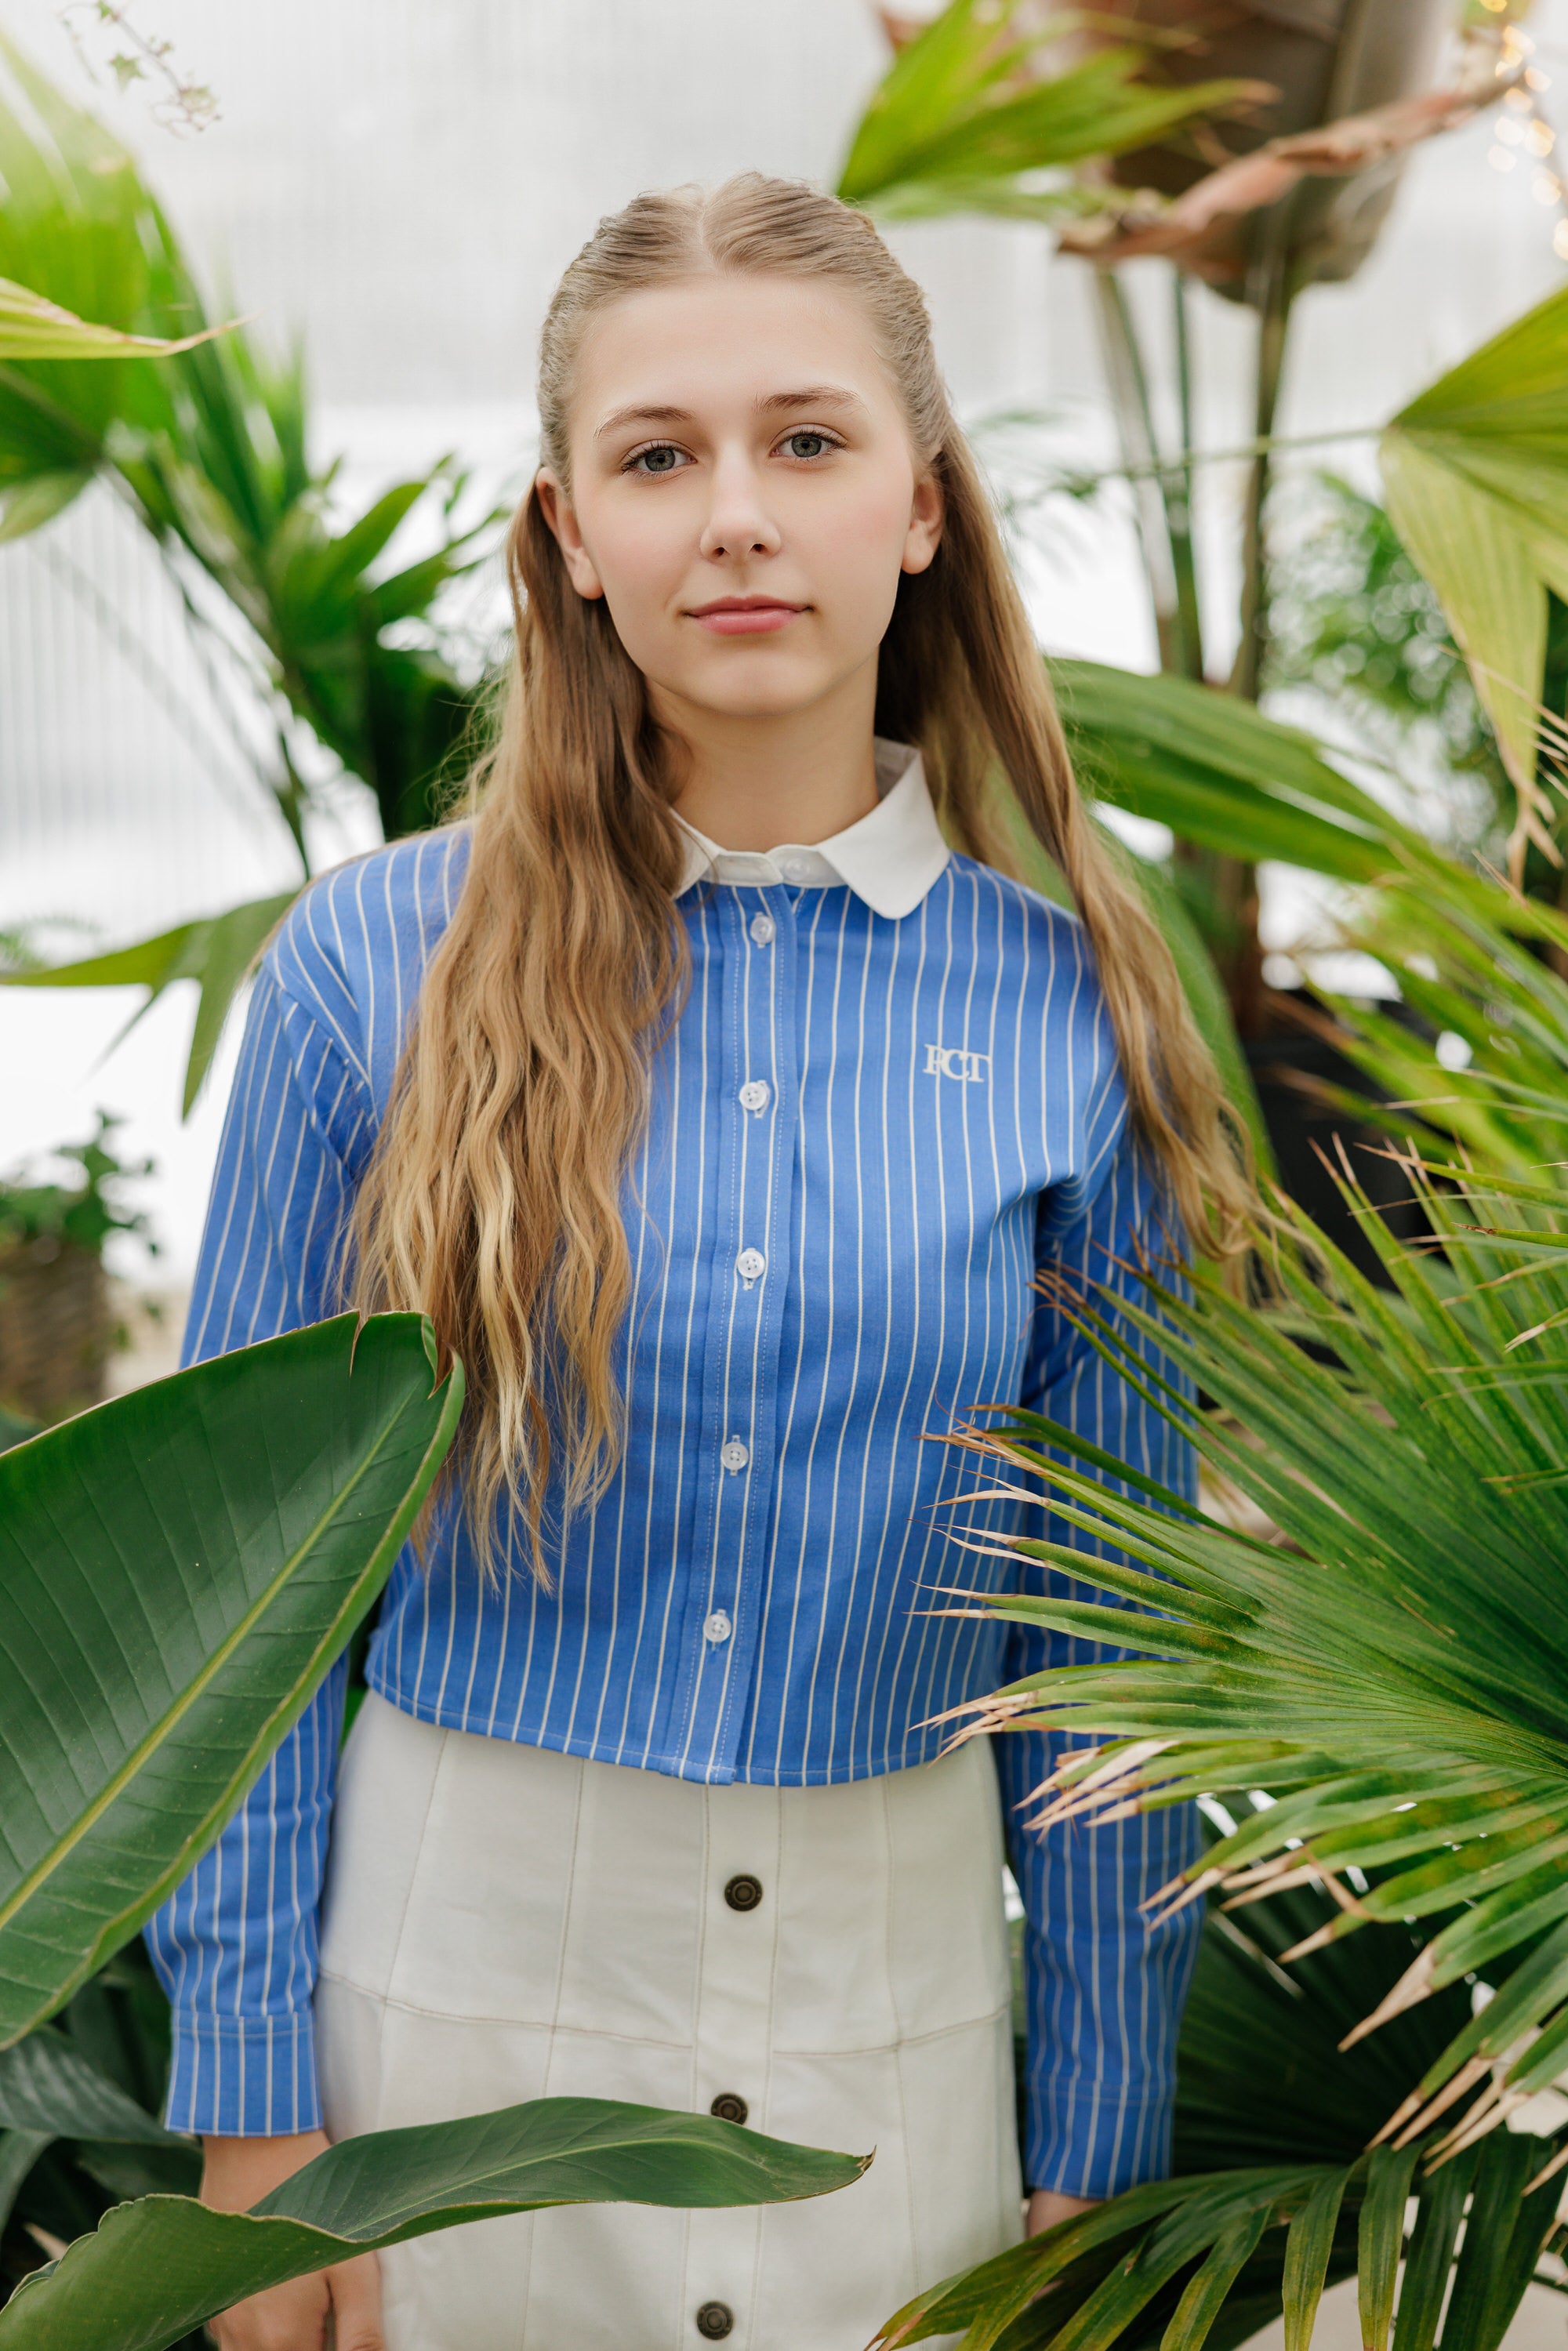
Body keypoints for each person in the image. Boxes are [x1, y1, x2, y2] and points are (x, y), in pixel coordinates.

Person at [146, 172, 1248, 2351]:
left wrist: (1103, 2150)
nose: (735, 514)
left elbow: (1115, 1650)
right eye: (660, 457)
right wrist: (253, 2111)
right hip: (447, 2039)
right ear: (569, 531)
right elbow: (229, 1618)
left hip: (901, 2032)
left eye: (806, 442)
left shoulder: (1083, 1019)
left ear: (922, 507)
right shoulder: (369, 980)